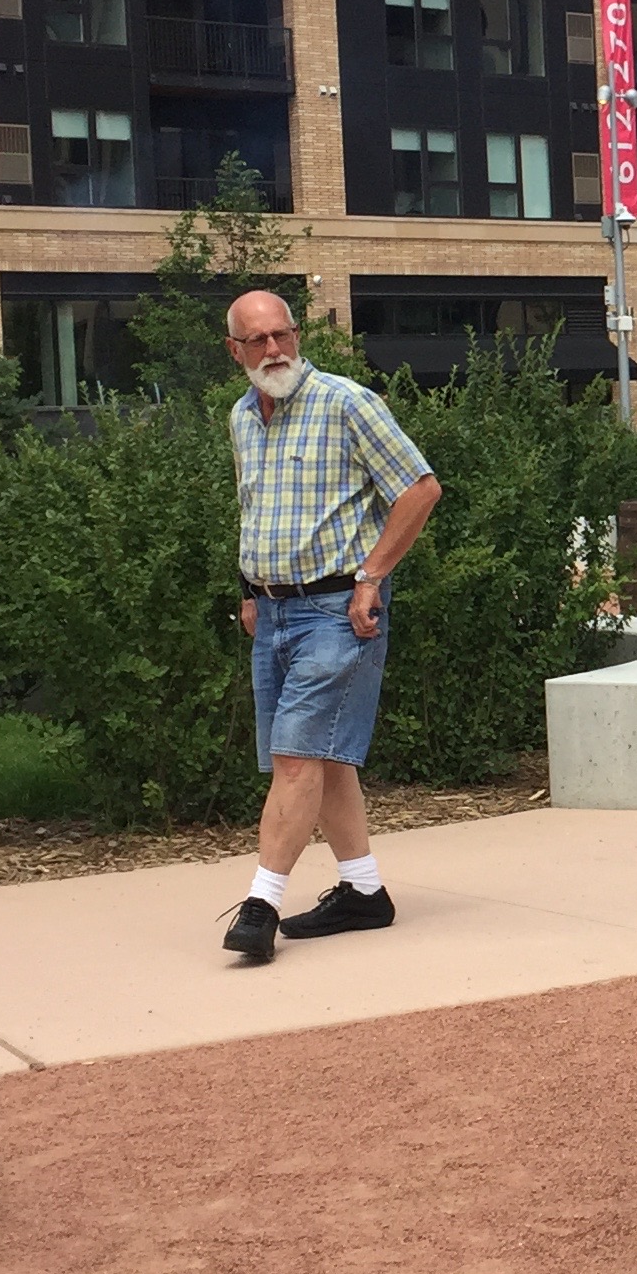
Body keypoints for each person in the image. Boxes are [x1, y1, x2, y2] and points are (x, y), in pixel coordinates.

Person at [220, 291, 442, 962]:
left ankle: (260, 904)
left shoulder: (347, 403)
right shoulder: (240, 416)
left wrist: (372, 576)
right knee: (323, 760)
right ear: (235, 352)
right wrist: (249, 588)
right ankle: (364, 893)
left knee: (294, 759)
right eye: (256, 341)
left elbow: (420, 487)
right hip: (274, 609)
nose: (273, 350)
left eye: (281, 335)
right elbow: (252, 506)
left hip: (338, 611)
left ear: (298, 333)